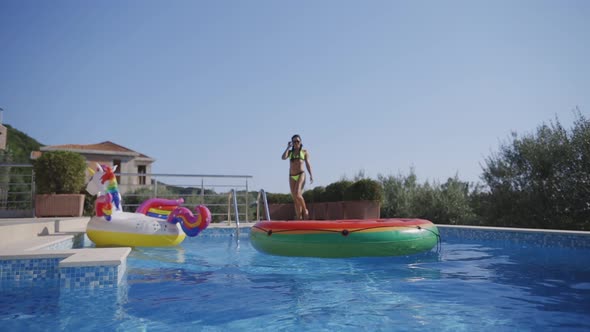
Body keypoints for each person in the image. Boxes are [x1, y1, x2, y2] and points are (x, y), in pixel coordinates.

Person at [282, 134, 313, 220]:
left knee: (297, 193)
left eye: (297, 141)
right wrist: (288, 147)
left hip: (301, 174)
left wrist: (311, 175)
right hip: (292, 176)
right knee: (295, 198)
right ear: (292, 143)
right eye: (294, 141)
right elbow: (283, 157)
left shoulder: (304, 152)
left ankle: (305, 210)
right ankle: (299, 218)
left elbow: (307, 164)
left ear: (300, 142)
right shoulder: (290, 152)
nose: (296, 143)